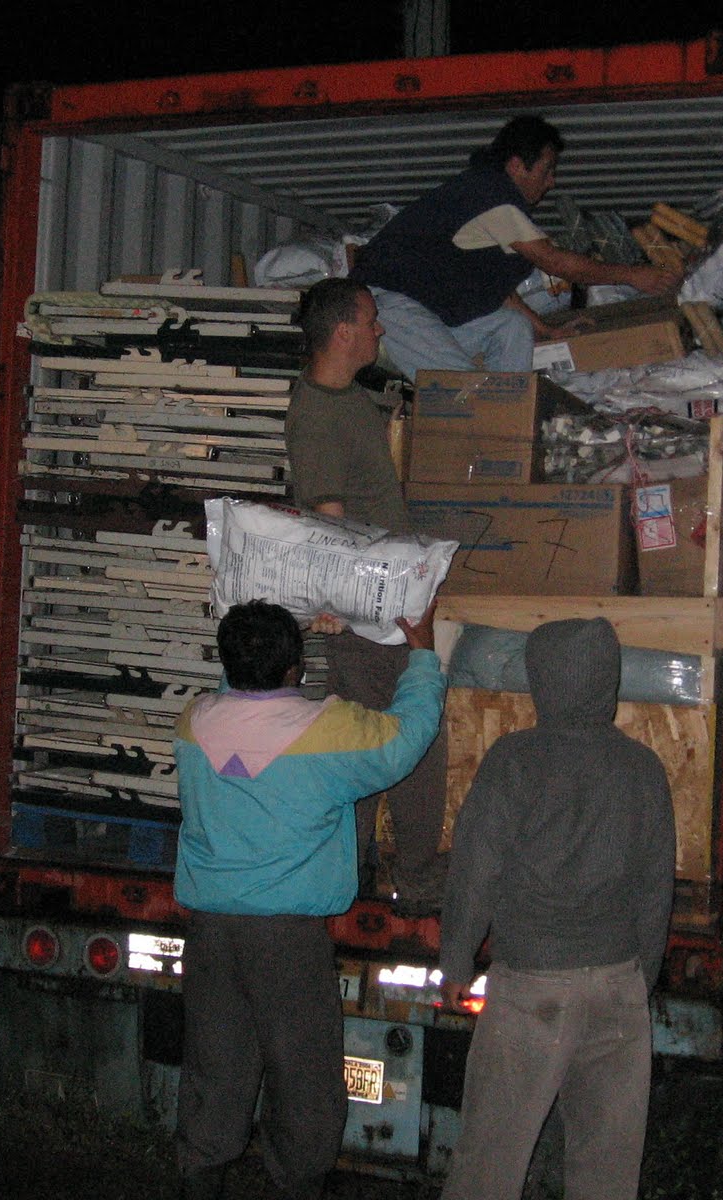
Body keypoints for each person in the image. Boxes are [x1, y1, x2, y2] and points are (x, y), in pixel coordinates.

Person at [173, 598, 445, 1200]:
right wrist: (423, 656)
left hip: (211, 935)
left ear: (228, 661)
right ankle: (297, 1183)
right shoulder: (326, 731)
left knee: (215, 1071)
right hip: (287, 942)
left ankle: (200, 1174)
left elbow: (243, 697)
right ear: (295, 668)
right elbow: (406, 740)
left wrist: (273, 658)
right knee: (304, 1081)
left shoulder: (193, 723)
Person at [437, 617, 676, 1200]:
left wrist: (457, 963)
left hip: (531, 993)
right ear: (608, 679)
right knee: (607, 1178)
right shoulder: (644, 767)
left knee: (487, 1171)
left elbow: (475, 872)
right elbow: (655, 892)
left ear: (543, 681)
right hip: (619, 988)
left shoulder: (515, 760)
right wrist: (638, 980)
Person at [283, 277, 450, 915]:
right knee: (413, 735)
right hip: (372, 614)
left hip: (386, 599)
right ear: (344, 332)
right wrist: (358, 609)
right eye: (373, 321)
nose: (381, 331)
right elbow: (331, 528)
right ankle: (414, 882)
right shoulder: (319, 417)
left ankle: (353, 876)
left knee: (370, 739)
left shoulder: (347, 398)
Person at [351, 114, 686, 378]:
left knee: (514, 328)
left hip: (425, 307)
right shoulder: (489, 196)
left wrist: (545, 329)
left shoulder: (490, 205)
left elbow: (498, 292)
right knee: (460, 385)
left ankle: (508, 408)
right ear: (515, 165)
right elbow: (555, 262)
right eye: (546, 170)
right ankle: (490, 430)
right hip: (388, 303)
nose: (551, 182)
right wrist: (632, 276)